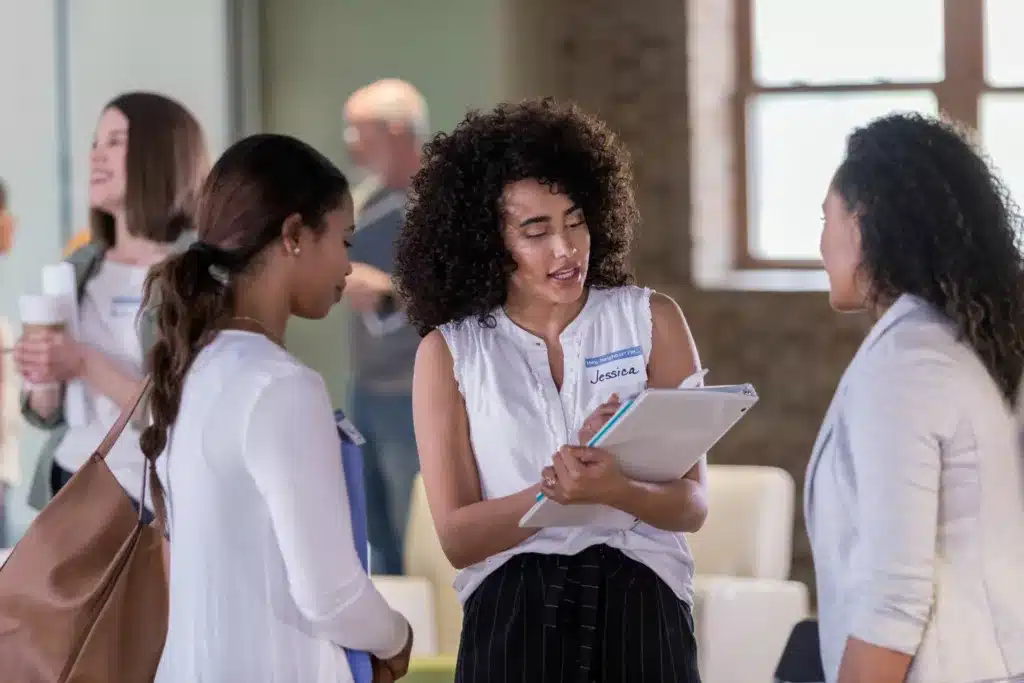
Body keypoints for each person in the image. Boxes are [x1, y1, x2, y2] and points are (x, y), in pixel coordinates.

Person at [394, 98, 705, 682]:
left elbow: (691, 506)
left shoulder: (652, 321)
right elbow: (459, 539)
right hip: (513, 615)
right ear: (487, 240)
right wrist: (562, 490)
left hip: (642, 602)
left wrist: (617, 485)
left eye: (575, 221)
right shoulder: (449, 353)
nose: (565, 251)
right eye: (536, 231)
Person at [145, 133, 413, 682]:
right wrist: (398, 636)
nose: (348, 265)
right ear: (294, 235)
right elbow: (331, 595)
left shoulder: (190, 368)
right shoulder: (280, 385)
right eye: (344, 241)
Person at [807, 112, 1024, 683]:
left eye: (824, 217)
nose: (820, 242)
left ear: (862, 222)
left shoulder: (905, 366)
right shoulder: (972, 344)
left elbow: (894, 594)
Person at [14, 92, 206, 516]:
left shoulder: (198, 275)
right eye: (95, 144)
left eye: (115, 142)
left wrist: (82, 362)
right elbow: (47, 414)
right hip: (67, 487)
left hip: (151, 500)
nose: (96, 157)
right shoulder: (77, 268)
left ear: (161, 155)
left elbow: (183, 413)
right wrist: (42, 371)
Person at [341, 78, 428, 575]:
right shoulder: (364, 203)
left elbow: (468, 295)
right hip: (366, 390)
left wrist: (389, 294)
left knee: (415, 523)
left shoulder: (443, 206)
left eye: (361, 131)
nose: (352, 145)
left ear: (398, 132)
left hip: (416, 392)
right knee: (371, 530)